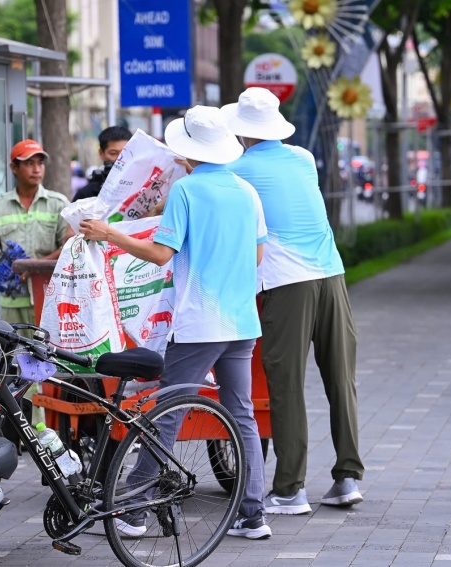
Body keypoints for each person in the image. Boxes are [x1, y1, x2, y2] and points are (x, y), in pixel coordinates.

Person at [79, 105, 272, 540]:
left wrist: (109, 234)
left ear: (187, 152)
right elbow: (258, 255)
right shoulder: (246, 191)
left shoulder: (187, 192)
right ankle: (253, 514)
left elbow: (161, 254)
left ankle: (133, 508)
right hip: (241, 321)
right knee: (241, 413)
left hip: (199, 324)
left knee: (167, 411)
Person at [221, 87, 363, 515]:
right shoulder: (304, 159)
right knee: (341, 379)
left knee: (286, 385)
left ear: (241, 130)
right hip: (332, 275)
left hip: (287, 283)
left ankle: (289, 490)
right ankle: (348, 477)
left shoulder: (237, 171)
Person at [0, 139, 70, 328]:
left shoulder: (59, 204)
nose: (37, 169)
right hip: (13, 302)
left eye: (40, 163)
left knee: (50, 354)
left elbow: (69, 247)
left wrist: (34, 266)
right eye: (29, 163)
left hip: (51, 299)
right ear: (14, 167)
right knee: (13, 354)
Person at [72, 126, 132, 201]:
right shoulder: (87, 194)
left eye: (125, 153)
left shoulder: (143, 188)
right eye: (113, 153)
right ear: (101, 153)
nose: (120, 159)